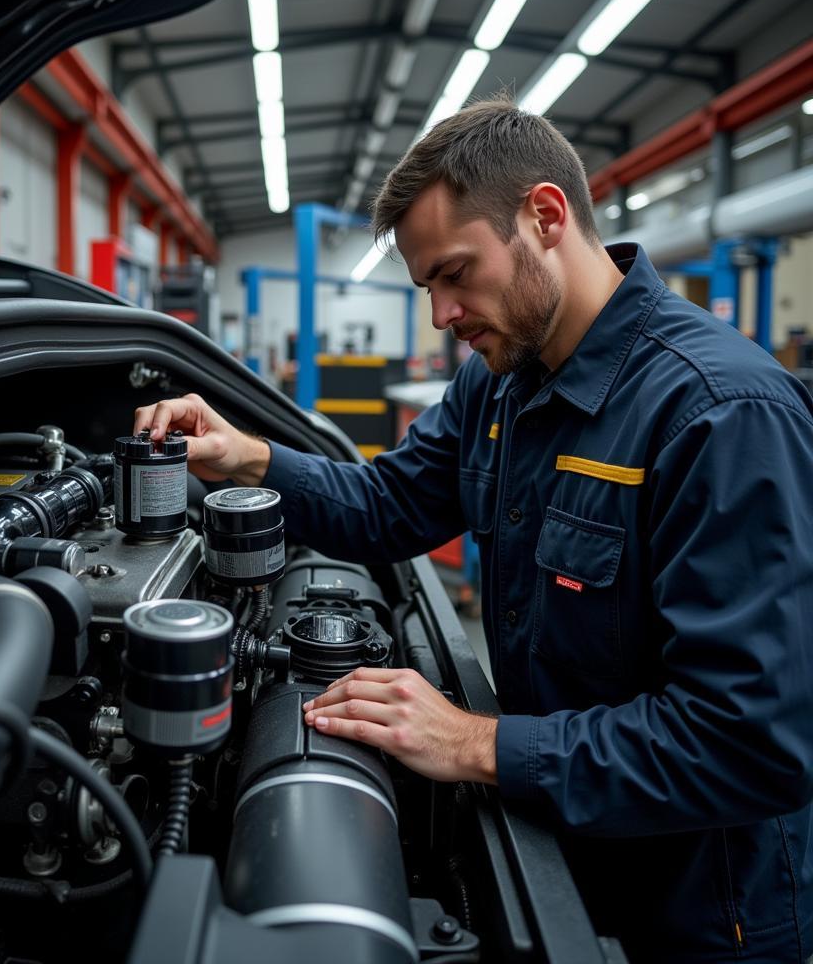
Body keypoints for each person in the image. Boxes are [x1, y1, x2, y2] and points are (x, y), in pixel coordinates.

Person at [134, 99, 813, 963]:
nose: (441, 315)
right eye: (427, 288)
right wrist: (246, 458)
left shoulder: (718, 414)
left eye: (455, 273)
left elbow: (751, 743)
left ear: (545, 215)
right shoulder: (498, 386)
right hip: (564, 844)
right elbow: (389, 507)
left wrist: (480, 742)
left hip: (701, 915)